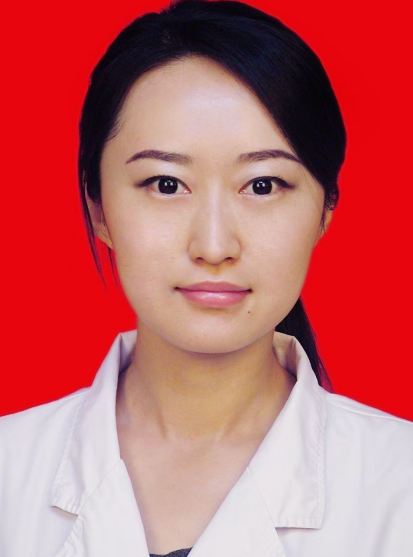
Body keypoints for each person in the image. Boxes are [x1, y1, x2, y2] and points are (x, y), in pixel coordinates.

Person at [0, 1, 412, 556]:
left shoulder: (399, 485)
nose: (214, 246)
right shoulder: (9, 470)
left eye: (262, 186)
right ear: (98, 207)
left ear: (325, 209)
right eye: (166, 185)